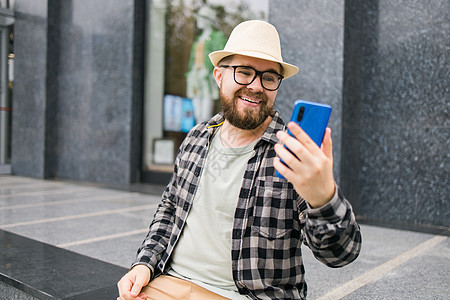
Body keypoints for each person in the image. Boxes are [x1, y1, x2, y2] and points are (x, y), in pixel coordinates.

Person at [118, 20, 361, 300]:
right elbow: (170, 208)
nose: (256, 86)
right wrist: (144, 263)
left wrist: (323, 198)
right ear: (219, 76)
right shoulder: (197, 137)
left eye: (269, 77)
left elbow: (341, 254)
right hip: (169, 282)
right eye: (244, 72)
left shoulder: (291, 154)